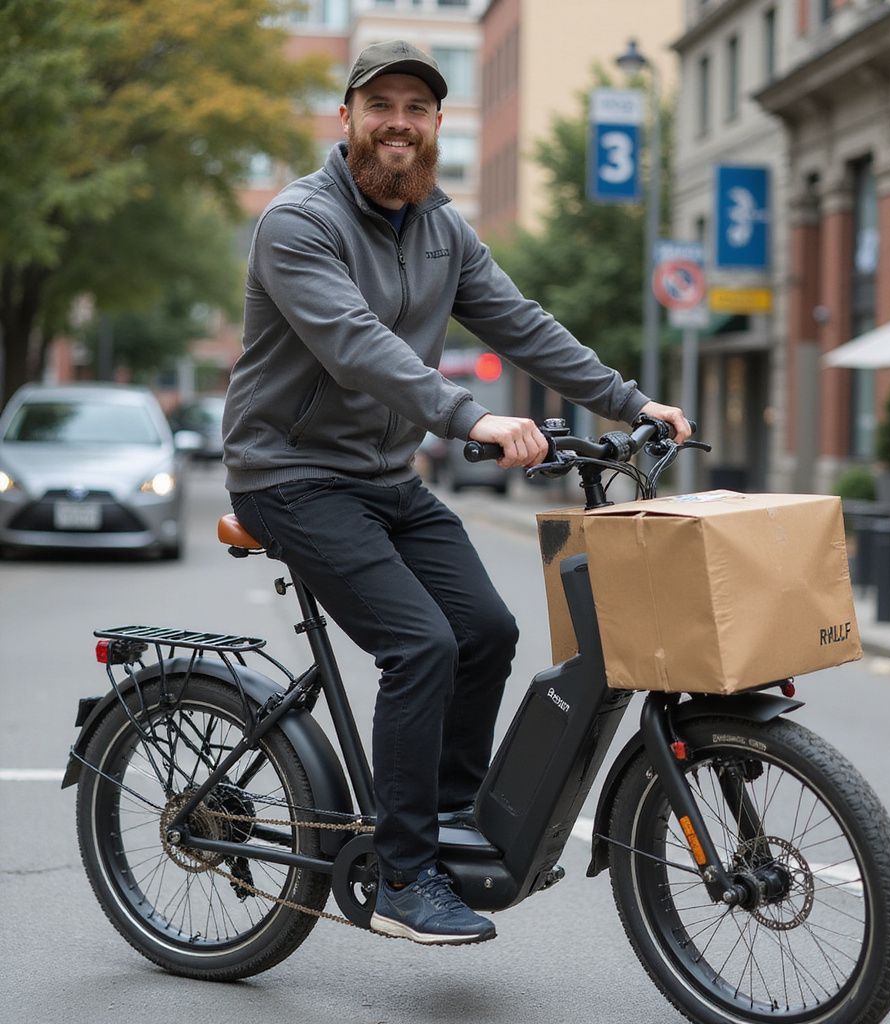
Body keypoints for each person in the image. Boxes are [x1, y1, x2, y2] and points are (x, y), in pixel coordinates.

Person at [222, 39, 691, 946]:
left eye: (417, 108)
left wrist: (631, 401)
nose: (398, 122)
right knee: (420, 643)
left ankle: (440, 817)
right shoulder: (297, 222)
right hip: (290, 473)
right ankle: (403, 877)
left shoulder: (442, 227)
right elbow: (355, 343)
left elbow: (522, 324)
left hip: (383, 477)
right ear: (348, 117)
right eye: (381, 104)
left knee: (488, 630)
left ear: (438, 124)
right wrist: (467, 417)